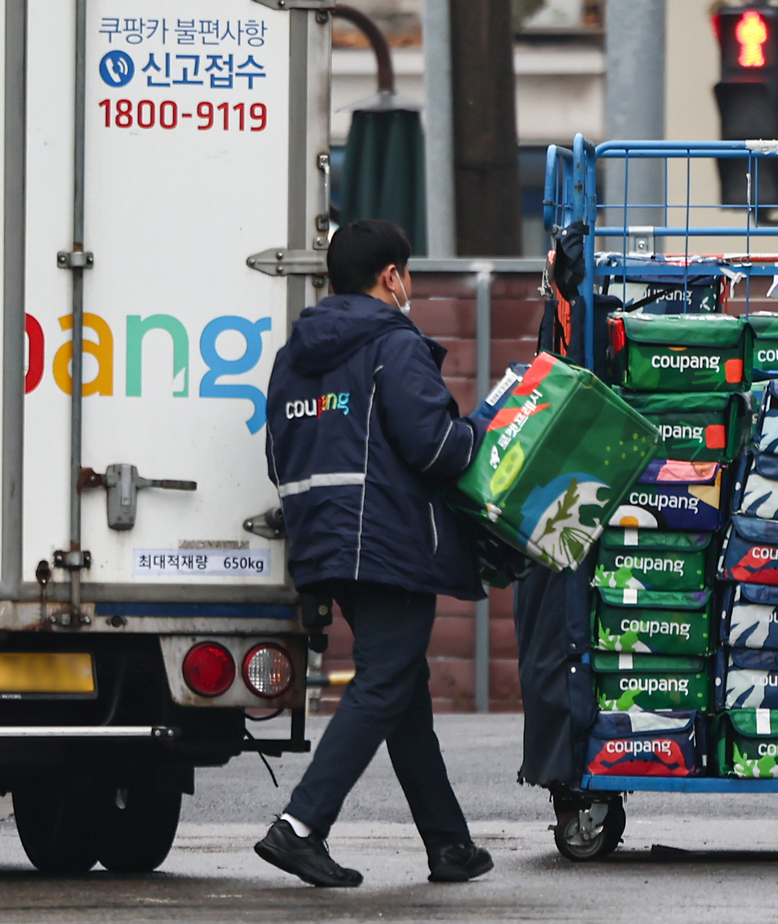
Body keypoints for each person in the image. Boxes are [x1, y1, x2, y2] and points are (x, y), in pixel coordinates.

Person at [255, 220, 492, 888]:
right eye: (407, 274)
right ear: (392, 276)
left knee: (400, 687)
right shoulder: (395, 344)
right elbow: (435, 448)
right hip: (385, 540)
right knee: (386, 679)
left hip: (322, 538)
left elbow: (277, 455)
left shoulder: (291, 356)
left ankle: (448, 844)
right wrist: (480, 431)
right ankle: (299, 827)